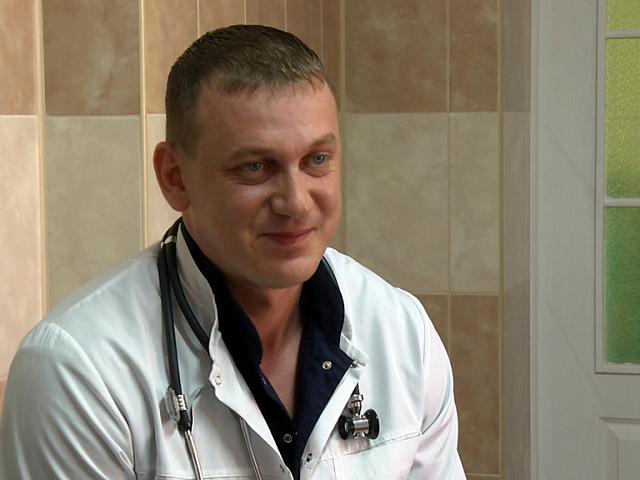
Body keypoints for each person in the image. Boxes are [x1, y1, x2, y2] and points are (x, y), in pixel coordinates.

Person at [0, 25, 466, 479]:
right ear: (175, 178)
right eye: (255, 167)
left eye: (317, 160)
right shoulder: (79, 372)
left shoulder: (403, 334)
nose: (296, 203)